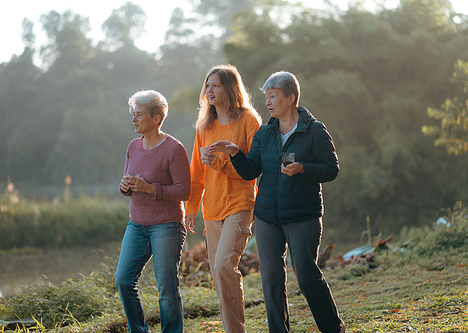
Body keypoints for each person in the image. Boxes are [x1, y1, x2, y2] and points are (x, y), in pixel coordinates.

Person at [209, 71, 346, 333]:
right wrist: (236, 153)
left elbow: (331, 169)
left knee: (306, 276)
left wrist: (303, 168)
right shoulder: (265, 133)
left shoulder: (314, 130)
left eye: (273, 96)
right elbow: (251, 171)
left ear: (291, 98)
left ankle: (333, 328)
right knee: (271, 281)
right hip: (267, 218)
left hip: (302, 215)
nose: (268, 102)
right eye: (266, 97)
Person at [185, 64, 262, 333]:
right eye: (207, 85)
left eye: (215, 85)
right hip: (212, 208)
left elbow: (253, 168)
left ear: (230, 88)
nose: (209, 89)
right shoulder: (204, 126)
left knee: (222, 265)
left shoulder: (248, 120)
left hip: (240, 204)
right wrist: (191, 208)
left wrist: (220, 164)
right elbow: (196, 173)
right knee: (219, 275)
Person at [115, 90, 191, 333]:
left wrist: (151, 189)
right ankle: (138, 330)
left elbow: (183, 191)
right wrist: (125, 187)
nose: (134, 119)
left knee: (167, 288)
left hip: (166, 225)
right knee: (123, 280)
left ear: (156, 118)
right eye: (133, 115)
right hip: (137, 224)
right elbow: (127, 181)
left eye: (139, 115)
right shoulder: (133, 146)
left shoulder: (174, 149)